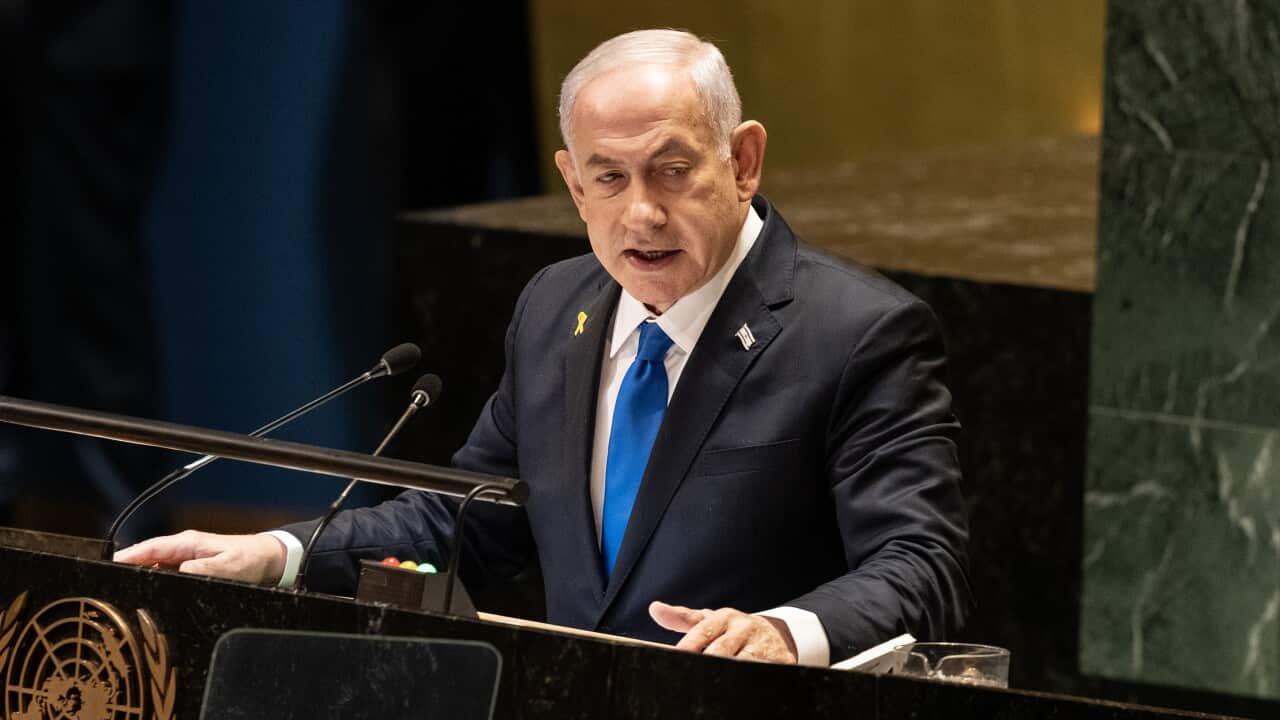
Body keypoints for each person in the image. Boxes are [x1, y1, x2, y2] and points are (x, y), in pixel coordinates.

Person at [116, 29, 971, 666]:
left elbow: (919, 565)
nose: (641, 212)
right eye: (609, 178)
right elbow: (472, 519)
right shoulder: (556, 308)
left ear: (743, 161)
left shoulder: (857, 333)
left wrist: (787, 632)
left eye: (673, 171)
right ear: (571, 182)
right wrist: (282, 555)